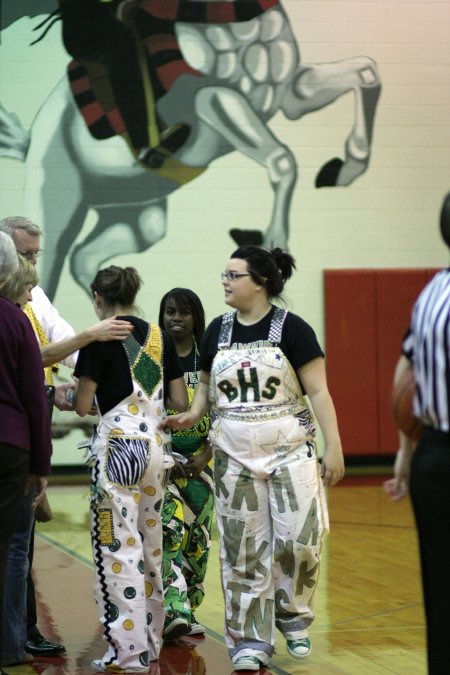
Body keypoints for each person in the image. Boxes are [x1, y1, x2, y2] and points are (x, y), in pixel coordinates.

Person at [161, 245, 345, 671]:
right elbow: (205, 388)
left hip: (289, 450)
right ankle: (250, 641)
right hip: (233, 455)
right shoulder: (217, 331)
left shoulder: (292, 329)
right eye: (224, 274)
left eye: (233, 274)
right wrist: (190, 414)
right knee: (242, 549)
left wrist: (334, 446)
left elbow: (319, 391)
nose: (224, 281)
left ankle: (292, 615)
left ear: (259, 282)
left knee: (300, 542)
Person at [0, 215, 133, 661]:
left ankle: (22, 632)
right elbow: (36, 357)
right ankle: (12, 641)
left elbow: (61, 345)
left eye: (37, 253)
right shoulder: (12, 311)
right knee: (15, 546)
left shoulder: (32, 294)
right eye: (24, 254)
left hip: (23, 427)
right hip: (17, 430)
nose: (32, 263)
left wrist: (85, 374)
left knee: (21, 544)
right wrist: (93, 339)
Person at [73, 265, 188, 672]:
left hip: (120, 450)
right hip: (157, 450)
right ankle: (151, 643)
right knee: (151, 547)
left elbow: (85, 405)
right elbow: (178, 399)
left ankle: (128, 651)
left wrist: (69, 393)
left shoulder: (100, 335)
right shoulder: (158, 337)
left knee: (116, 549)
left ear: (98, 297)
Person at [384, 193, 450, 675]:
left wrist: (406, 452)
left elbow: (404, 374)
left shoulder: (430, 293)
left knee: (440, 589)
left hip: (432, 454)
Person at [0, 233, 52, 670]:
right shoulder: (17, 321)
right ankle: (8, 646)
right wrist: (41, 467)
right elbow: (36, 400)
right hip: (9, 445)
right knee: (10, 549)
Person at [158, 288, 213, 640]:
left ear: (196, 318)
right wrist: (166, 455)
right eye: (170, 312)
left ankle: (189, 609)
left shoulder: (209, 357)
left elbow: (223, 412)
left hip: (202, 465)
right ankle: (172, 609)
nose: (176, 318)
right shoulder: (154, 357)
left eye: (184, 312)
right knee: (169, 534)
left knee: (199, 543)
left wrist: (206, 455)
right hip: (164, 464)